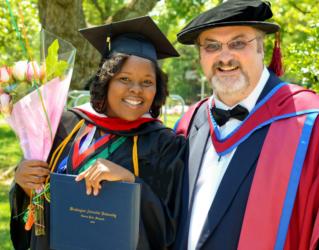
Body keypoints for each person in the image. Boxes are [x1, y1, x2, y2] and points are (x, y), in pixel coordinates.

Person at [9, 16, 185, 250]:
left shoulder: (166, 145)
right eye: (124, 78)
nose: (136, 89)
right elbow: (32, 206)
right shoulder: (63, 125)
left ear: (157, 89)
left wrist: (129, 181)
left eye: (147, 81)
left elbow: (171, 225)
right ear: (106, 80)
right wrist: (23, 183)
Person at [174, 1, 319, 250]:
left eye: (238, 43)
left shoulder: (308, 123)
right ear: (200, 55)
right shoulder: (190, 123)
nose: (225, 56)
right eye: (211, 46)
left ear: (262, 48)